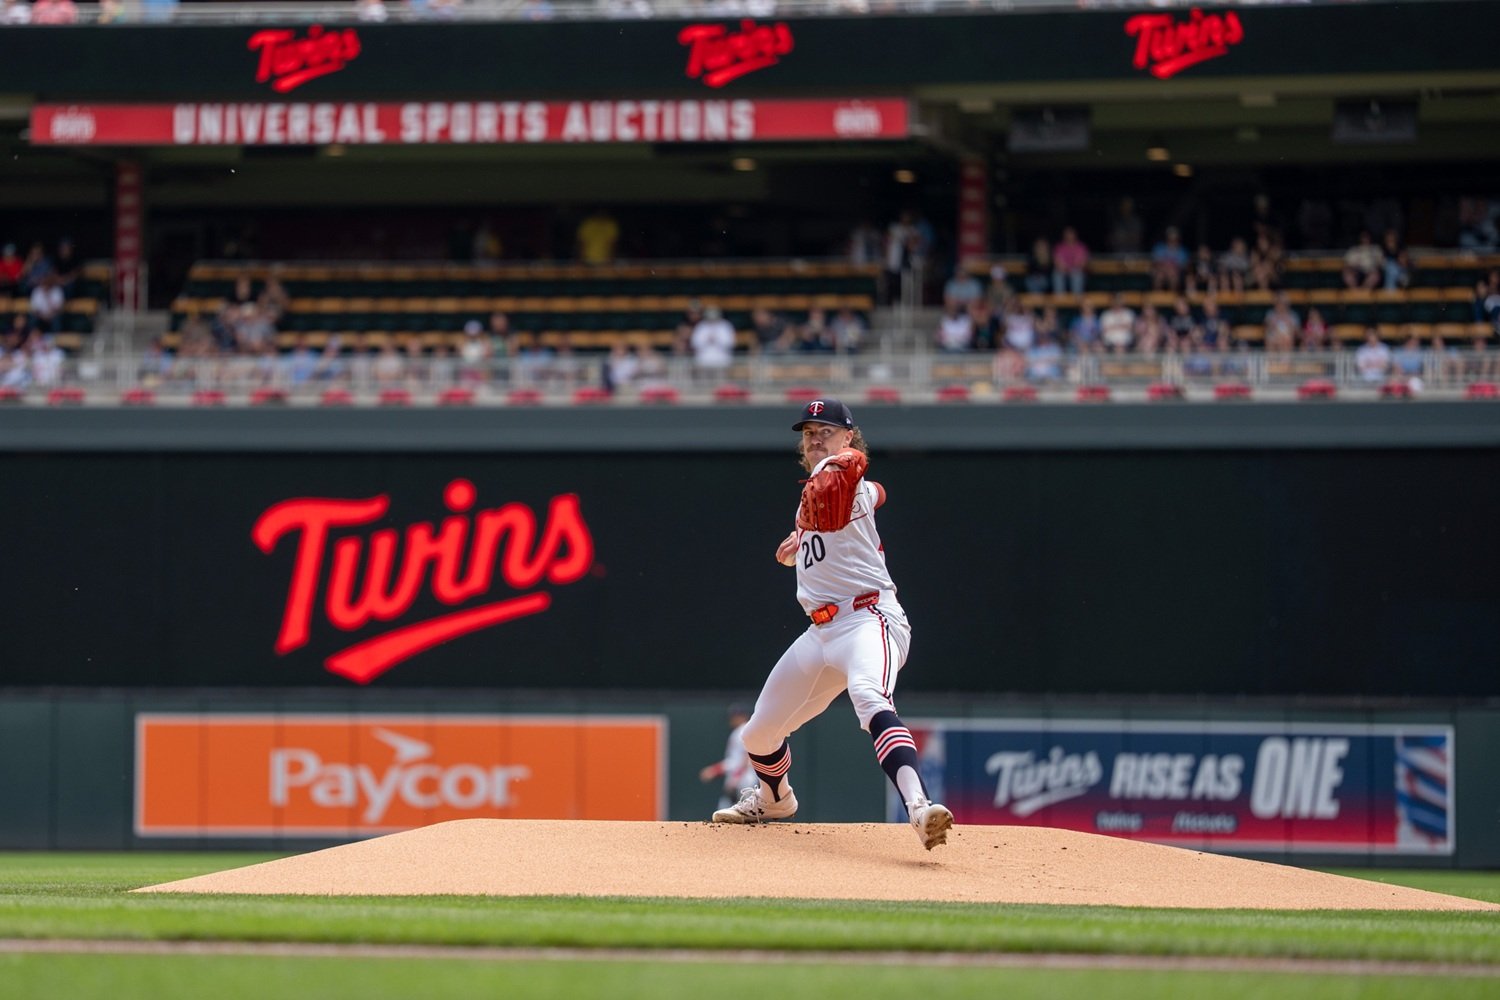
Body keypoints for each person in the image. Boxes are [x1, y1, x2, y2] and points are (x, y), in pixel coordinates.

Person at [710, 399, 953, 851]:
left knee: (869, 696)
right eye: (809, 433)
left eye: (826, 430)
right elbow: (877, 492)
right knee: (757, 734)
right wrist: (802, 538)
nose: (815, 438)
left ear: (848, 436)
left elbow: (856, 474)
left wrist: (849, 466)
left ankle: (919, 807)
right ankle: (775, 799)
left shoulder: (843, 477)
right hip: (820, 632)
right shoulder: (818, 498)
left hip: (868, 618)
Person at [699, 702, 755, 812]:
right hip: (742, 778)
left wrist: (736, 777)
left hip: (743, 779)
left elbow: (747, 756)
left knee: (729, 811)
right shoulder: (742, 731)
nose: (732, 718)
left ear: (743, 716)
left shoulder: (742, 731)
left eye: (736, 715)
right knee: (731, 811)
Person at [1052, 226, 1089, 295]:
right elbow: (1057, 261)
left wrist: (1074, 268)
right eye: (1067, 234)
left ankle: (1077, 297)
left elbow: (1083, 262)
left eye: (1071, 234)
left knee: (1078, 274)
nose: (1069, 236)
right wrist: (1064, 268)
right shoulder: (1059, 247)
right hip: (1063, 270)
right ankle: (1060, 298)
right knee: (1057, 274)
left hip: (1076, 270)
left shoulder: (1081, 247)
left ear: (1075, 235)